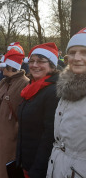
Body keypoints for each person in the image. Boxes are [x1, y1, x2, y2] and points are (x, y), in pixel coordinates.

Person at [0, 49, 29, 178]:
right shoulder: (3, 81)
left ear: (10, 66)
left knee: (4, 168)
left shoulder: (24, 83)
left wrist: (14, 133)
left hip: (9, 137)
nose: (1, 69)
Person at [47, 28, 86, 177]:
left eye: (84, 52)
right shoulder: (66, 87)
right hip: (58, 167)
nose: (76, 57)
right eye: (72, 52)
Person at [16, 42, 60, 177]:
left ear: (52, 66)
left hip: (39, 165)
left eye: (40, 61)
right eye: (32, 61)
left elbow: (49, 136)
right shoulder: (32, 86)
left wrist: (37, 169)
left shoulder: (53, 91)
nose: (34, 65)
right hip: (27, 159)